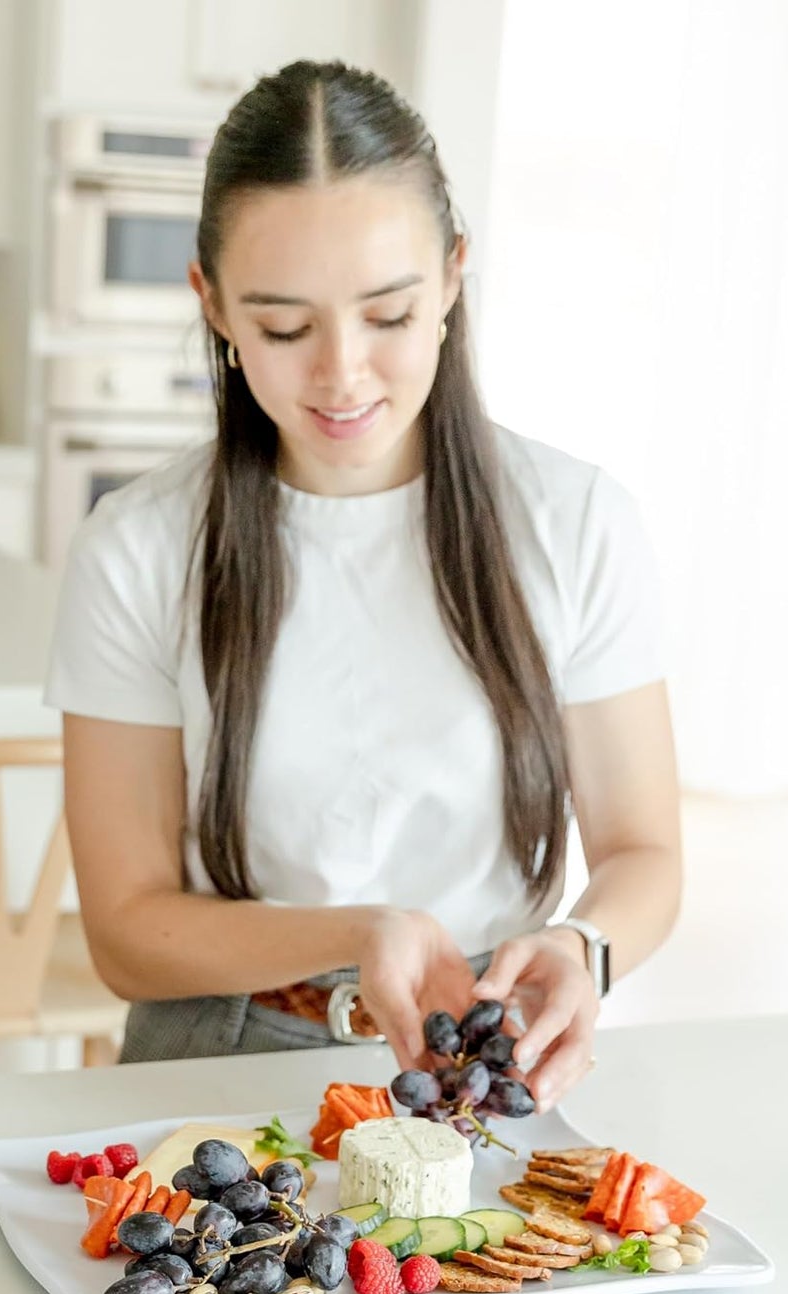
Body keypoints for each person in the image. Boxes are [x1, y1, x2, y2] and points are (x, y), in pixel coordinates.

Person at [45, 60, 682, 1113]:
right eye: (284, 328)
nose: (341, 374)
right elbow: (126, 932)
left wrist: (583, 942)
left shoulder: (574, 521)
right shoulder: (138, 548)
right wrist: (357, 933)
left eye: (386, 314)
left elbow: (642, 849)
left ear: (450, 278)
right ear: (210, 305)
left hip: (485, 1053)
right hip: (218, 1052)